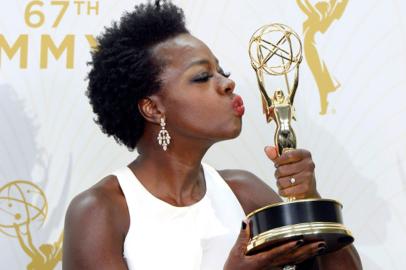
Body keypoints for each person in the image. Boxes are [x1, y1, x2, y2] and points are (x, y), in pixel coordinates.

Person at [62, 1, 362, 269]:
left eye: (223, 71)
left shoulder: (243, 192)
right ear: (153, 108)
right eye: (202, 77)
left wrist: (309, 202)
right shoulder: (99, 211)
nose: (227, 84)